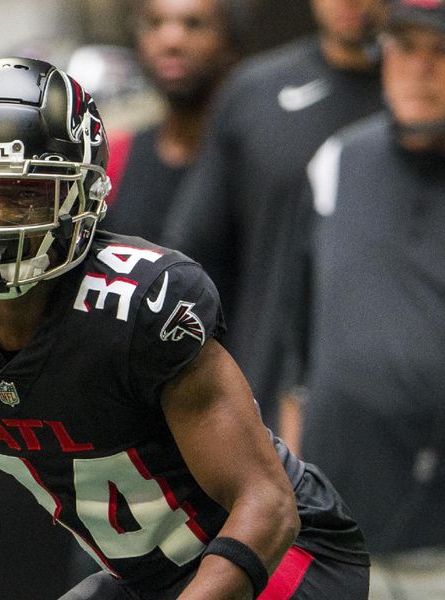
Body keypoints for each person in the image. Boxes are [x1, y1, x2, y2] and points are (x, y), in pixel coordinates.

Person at [0, 56, 370, 600]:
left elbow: (266, 505)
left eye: (22, 197)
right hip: (153, 576)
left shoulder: (139, 305)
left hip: (285, 557)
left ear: (82, 195)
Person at [159, 0, 387, 436]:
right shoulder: (255, 92)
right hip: (269, 400)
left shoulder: (420, 105)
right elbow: (190, 265)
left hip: (401, 406)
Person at [297, 1, 445, 598]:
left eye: (441, 53)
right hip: (332, 535)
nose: (419, 69)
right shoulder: (338, 160)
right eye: (405, 47)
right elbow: (295, 343)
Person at [101, 0, 243, 242]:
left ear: (229, 42)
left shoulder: (257, 160)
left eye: (193, 24)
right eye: (154, 24)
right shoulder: (113, 159)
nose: (171, 41)